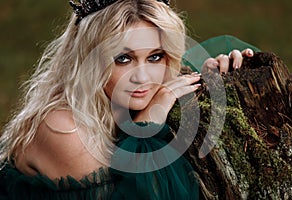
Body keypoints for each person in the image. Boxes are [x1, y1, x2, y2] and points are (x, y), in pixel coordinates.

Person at [0, 0, 255, 199]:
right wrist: (147, 124)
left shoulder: (132, 97)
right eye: (123, 59)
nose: (142, 77)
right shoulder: (65, 129)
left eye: (155, 57)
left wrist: (212, 78)